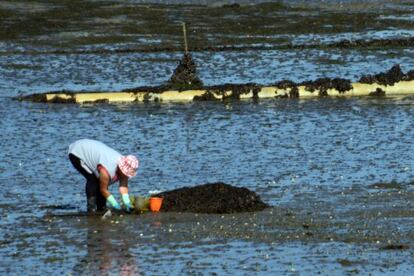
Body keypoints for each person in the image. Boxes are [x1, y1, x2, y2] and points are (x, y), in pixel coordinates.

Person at [68, 139, 139, 213]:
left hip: (94, 151)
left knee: (102, 182)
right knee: (93, 181)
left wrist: (127, 203)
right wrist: (114, 203)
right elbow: (103, 189)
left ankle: (101, 208)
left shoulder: (125, 165)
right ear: (121, 168)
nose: (125, 175)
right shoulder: (107, 170)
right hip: (78, 152)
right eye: (125, 172)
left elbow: (123, 187)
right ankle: (91, 208)